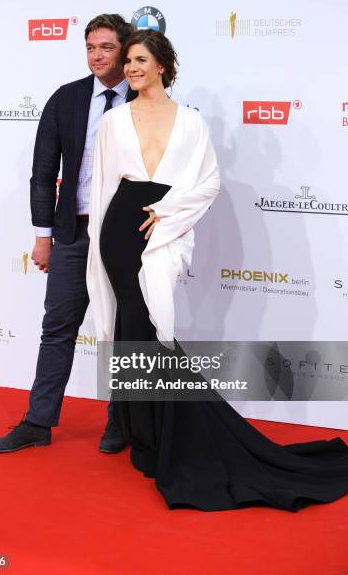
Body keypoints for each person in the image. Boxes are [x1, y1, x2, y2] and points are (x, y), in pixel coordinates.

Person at [87, 29, 348, 511]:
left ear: (162, 65)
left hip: (162, 226)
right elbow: (104, 185)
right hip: (120, 229)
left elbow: (207, 184)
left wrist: (169, 212)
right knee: (130, 327)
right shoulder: (113, 120)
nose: (131, 69)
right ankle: (139, 434)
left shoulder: (190, 123)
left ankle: (164, 436)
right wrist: (98, 242)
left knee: (154, 328)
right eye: (128, 62)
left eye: (140, 60)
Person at [0, 14, 136, 454]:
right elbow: (42, 172)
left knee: (121, 331)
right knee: (57, 328)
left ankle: (120, 424)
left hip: (123, 237)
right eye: (90, 48)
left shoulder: (146, 102)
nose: (96, 56)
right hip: (72, 232)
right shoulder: (66, 99)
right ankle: (38, 421)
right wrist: (43, 235)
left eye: (106, 47)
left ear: (125, 50)